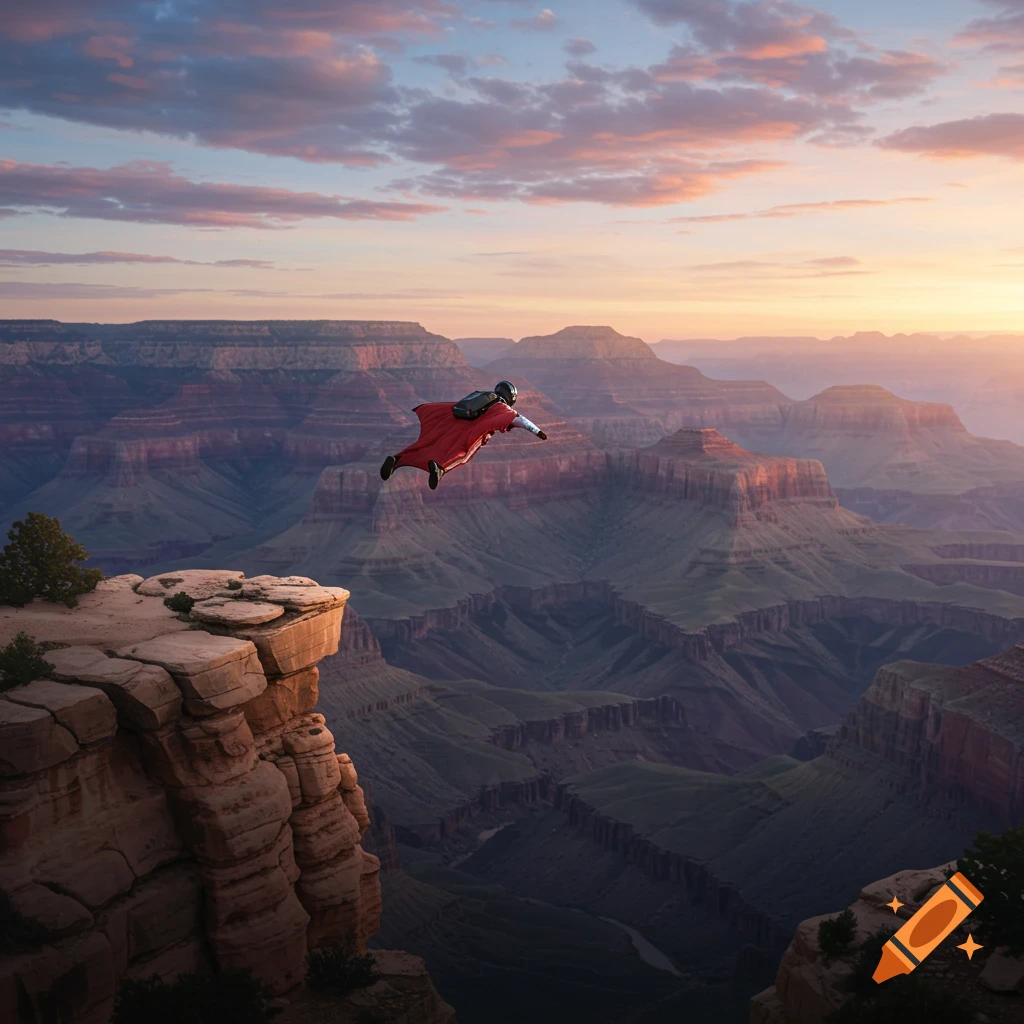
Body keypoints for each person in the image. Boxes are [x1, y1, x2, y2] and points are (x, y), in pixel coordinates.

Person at [379, 380, 548, 490]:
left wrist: (425, 407)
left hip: (452, 425)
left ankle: (397, 460)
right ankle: (441, 468)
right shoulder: (503, 408)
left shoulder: (483, 397)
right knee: (463, 454)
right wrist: (538, 432)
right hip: (473, 433)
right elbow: (520, 420)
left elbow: (455, 406)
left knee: (426, 444)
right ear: (511, 397)